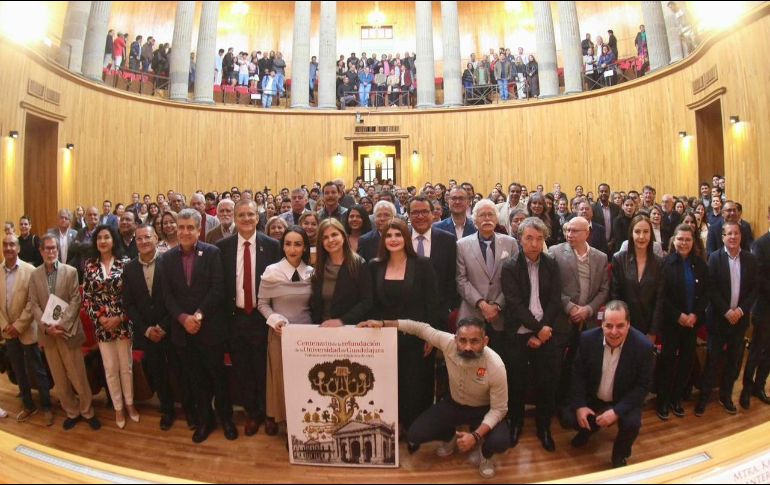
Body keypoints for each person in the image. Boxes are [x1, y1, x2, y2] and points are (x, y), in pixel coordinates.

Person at [358, 317, 509, 478]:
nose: (467, 347)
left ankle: (485, 455)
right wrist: (382, 323)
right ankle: (449, 436)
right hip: (454, 404)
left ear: (485, 341)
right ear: (455, 338)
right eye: (462, 340)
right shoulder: (447, 342)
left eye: (474, 341)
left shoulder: (496, 365)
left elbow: (499, 409)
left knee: (500, 442)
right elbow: (419, 328)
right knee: (415, 434)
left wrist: (475, 436)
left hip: (483, 410)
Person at [160, 209, 237, 443]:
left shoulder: (213, 253)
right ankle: (206, 420)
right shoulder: (166, 258)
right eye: (180, 227)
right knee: (196, 380)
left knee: (218, 379)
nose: (184, 232)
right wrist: (183, 319)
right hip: (183, 333)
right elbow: (167, 296)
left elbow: (218, 289)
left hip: (211, 330)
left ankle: (226, 418)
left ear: (198, 229)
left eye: (189, 228)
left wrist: (198, 316)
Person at [217, 199, 281, 436]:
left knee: (265, 369)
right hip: (235, 319)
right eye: (241, 214)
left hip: (263, 317)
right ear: (234, 217)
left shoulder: (272, 246)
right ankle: (252, 413)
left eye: (250, 214)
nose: (246, 219)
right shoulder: (222, 247)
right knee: (243, 370)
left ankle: (270, 413)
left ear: (257, 217)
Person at [369, 219, 439, 428]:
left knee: (416, 385)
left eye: (398, 235)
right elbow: (371, 302)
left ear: (406, 238)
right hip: (385, 337)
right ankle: (392, 424)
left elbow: (433, 303)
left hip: (417, 337)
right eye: (388, 236)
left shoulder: (422, 264)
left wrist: (431, 336)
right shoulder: (375, 266)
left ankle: (416, 428)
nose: (393, 239)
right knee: (390, 383)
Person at [568, 300, 654, 468]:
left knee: (632, 423)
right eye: (609, 326)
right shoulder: (587, 339)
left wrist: (617, 411)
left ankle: (619, 455)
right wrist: (579, 406)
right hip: (595, 396)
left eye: (620, 325)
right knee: (568, 417)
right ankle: (587, 430)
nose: (614, 332)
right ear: (602, 324)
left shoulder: (644, 347)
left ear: (628, 324)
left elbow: (643, 387)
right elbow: (577, 375)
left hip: (623, 398)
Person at [28, 234, 102, 431]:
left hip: (68, 332)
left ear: (58, 251)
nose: (51, 252)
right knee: (59, 378)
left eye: (54, 248)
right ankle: (72, 411)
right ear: (41, 251)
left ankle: (87, 411)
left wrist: (61, 324)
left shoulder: (70, 272)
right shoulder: (34, 275)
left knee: (78, 375)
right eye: (47, 249)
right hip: (48, 334)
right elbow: (33, 304)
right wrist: (46, 326)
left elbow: (76, 300)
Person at [501, 218, 562, 451]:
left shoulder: (551, 263)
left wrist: (544, 330)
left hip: (545, 331)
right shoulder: (510, 266)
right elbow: (515, 304)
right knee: (516, 382)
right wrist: (538, 329)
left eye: (539, 239)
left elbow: (556, 300)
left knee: (546, 382)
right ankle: (515, 423)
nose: (534, 243)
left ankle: (543, 426)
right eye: (529, 238)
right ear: (520, 238)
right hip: (518, 332)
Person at [122, 224, 191, 431]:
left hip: (171, 329)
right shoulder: (129, 268)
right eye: (139, 238)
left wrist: (163, 326)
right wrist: (146, 329)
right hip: (147, 334)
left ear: (156, 238)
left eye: (147, 237)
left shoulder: (169, 262)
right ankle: (167, 410)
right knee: (158, 374)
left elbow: (178, 298)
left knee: (181, 372)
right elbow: (129, 304)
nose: (143, 242)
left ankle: (190, 410)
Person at [696, 221, 758, 416]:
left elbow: (754, 289)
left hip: (740, 321)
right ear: (722, 237)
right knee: (713, 361)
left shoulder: (750, 259)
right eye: (728, 234)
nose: (732, 237)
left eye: (736, 233)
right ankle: (704, 397)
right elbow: (711, 288)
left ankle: (726, 395)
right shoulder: (714, 258)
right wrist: (726, 311)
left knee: (733, 361)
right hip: (719, 320)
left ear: (741, 236)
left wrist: (740, 310)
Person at [258, 226, 314, 436]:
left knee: (304, 380)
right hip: (281, 334)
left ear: (305, 247)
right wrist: (275, 321)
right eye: (288, 244)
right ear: (282, 246)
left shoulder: (311, 272)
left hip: (306, 337)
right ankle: (286, 423)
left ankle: (304, 422)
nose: (292, 249)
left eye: (298, 244)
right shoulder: (272, 271)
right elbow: (262, 304)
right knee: (282, 382)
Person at [549, 217, 609, 410]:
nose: (569, 234)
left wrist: (588, 309)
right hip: (562, 320)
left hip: (588, 322)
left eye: (575, 231)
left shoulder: (601, 257)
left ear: (587, 233)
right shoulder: (555, 252)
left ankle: (574, 403)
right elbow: (551, 286)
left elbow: (604, 289)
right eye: (568, 230)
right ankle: (555, 405)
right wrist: (570, 307)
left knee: (579, 366)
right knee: (556, 366)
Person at [82, 225, 138, 429]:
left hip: (123, 323)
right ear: (95, 242)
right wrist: (101, 317)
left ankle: (130, 404)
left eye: (107, 237)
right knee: (110, 368)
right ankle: (118, 407)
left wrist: (120, 317)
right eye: (99, 238)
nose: (103, 241)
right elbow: (87, 298)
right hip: (102, 324)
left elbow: (132, 295)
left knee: (126, 367)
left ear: (113, 240)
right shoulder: (89, 266)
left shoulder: (126, 263)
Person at [656, 224, 709, 420]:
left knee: (686, 362)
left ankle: (676, 399)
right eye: (680, 239)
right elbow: (661, 297)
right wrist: (678, 316)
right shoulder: (665, 264)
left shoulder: (701, 264)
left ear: (693, 241)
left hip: (692, 323)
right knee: (667, 362)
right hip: (672, 323)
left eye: (688, 239)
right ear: (673, 241)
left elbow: (705, 294)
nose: (684, 243)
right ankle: (663, 400)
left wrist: (695, 315)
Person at [1, 234, 53, 424]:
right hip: (7, 330)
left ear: (19, 248)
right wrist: (5, 325)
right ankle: (28, 404)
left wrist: (18, 325)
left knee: (37, 369)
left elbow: (33, 302)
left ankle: (47, 406)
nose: (8, 248)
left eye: (12, 244)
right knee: (17, 369)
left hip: (27, 329)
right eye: (5, 244)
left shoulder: (30, 270)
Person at [456, 200, 519, 353]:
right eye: (482, 215)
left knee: (499, 363)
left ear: (496, 219)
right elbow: (461, 280)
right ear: (474, 220)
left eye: (491, 214)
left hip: (502, 316)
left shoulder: (510, 243)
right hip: (472, 314)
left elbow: (516, 280)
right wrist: (483, 305)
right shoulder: (462, 245)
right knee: (471, 363)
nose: (487, 218)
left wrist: (497, 305)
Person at [610, 215, 664, 340]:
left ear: (651, 235)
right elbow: (615, 295)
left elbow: (659, 299)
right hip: (623, 324)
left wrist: (653, 331)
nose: (641, 236)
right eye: (637, 231)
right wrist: (620, 325)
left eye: (646, 232)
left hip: (649, 326)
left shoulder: (659, 263)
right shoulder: (619, 259)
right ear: (631, 234)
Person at [310, 218, 372, 326]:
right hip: (321, 329)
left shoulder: (359, 264)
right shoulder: (319, 265)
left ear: (343, 236)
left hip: (349, 330)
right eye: (325, 237)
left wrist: (342, 321)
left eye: (334, 235)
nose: (330, 240)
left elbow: (367, 301)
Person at [742, 205, 770, 408]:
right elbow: (760, 279)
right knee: (757, 349)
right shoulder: (760, 244)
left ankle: (759, 385)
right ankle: (746, 388)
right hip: (764, 306)